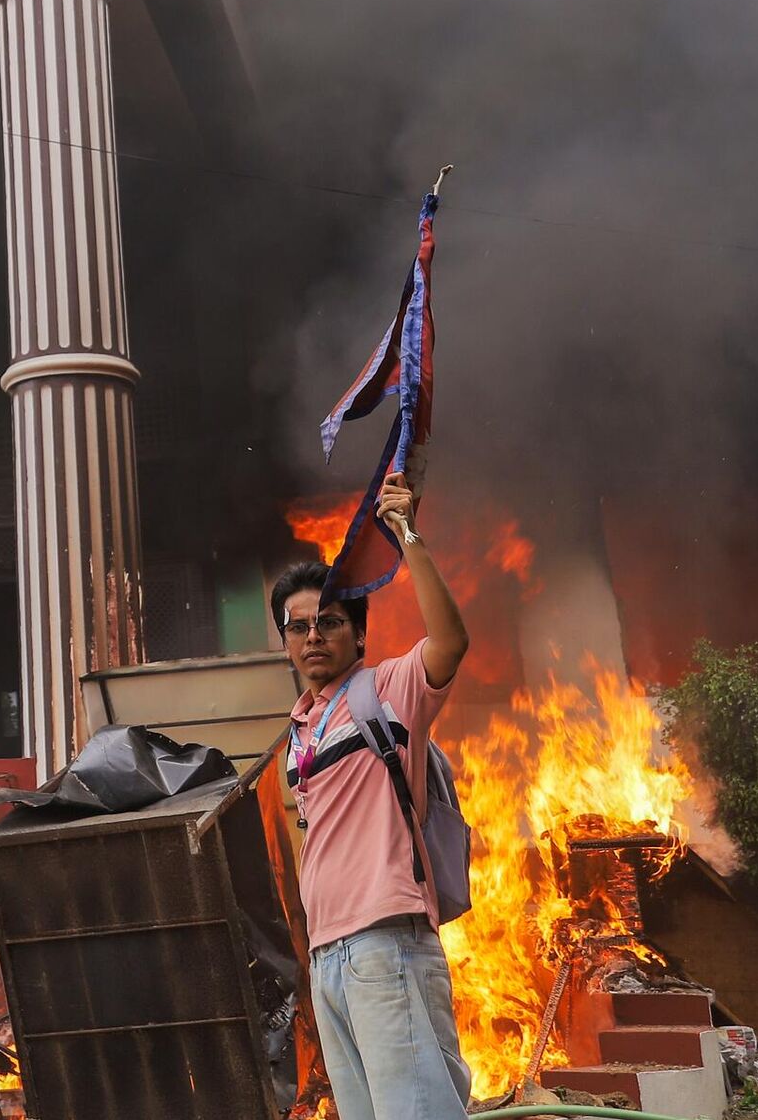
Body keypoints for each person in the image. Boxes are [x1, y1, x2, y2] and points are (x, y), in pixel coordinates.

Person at [276, 476, 473, 1120]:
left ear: (359, 635)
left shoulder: (388, 691)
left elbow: (450, 642)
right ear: (285, 642)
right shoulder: (298, 734)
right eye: (298, 627)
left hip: (386, 944)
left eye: (329, 622)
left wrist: (407, 533)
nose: (313, 636)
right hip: (329, 959)